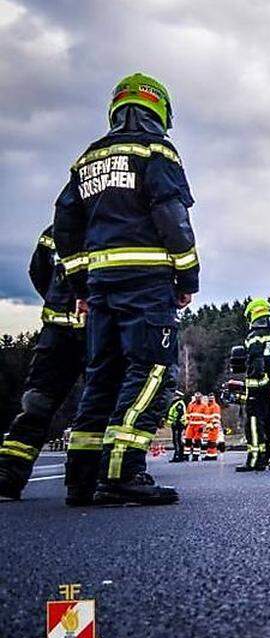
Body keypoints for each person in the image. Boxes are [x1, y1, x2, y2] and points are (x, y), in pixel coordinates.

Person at [53, 72, 196, 505]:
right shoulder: (156, 150)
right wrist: (187, 276)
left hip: (100, 287)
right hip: (147, 283)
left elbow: (65, 225)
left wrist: (80, 282)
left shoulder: (88, 158)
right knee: (152, 372)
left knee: (103, 376)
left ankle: (80, 479)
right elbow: (172, 215)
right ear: (161, 111)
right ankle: (121, 471)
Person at [0, 227, 88, 500]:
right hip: (96, 330)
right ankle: (83, 478)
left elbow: (38, 271)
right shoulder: (112, 220)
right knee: (97, 402)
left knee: (37, 403)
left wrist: (57, 299)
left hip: (57, 330)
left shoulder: (56, 228)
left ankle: (8, 475)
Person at [237, 298, 270, 472]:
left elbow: (257, 365)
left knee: (254, 424)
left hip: (257, 391)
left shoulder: (254, 338)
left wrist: (266, 386)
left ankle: (255, 460)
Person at [166, 391, 186, 463]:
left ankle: (178, 455)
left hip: (178, 424)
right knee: (177, 440)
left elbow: (179, 415)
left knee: (177, 440)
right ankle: (180, 455)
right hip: (176, 424)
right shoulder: (176, 403)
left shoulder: (179, 404)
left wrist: (175, 423)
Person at [184, 393, 204, 462]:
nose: (197, 398)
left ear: (201, 398)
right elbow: (187, 414)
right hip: (191, 425)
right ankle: (186, 455)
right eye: (196, 397)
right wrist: (186, 422)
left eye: (199, 397)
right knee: (187, 440)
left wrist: (202, 426)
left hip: (198, 426)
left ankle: (195, 456)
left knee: (197, 441)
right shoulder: (191, 405)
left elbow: (206, 417)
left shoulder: (204, 406)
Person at [201, 394, 221, 460]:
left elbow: (216, 417)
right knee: (209, 441)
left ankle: (213, 455)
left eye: (212, 398)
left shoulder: (215, 406)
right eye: (209, 398)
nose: (210, 399)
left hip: (213, 427)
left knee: (212, 441)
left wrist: (213, 425)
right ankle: (209, 454)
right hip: (208, 426)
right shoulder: (207, 406)